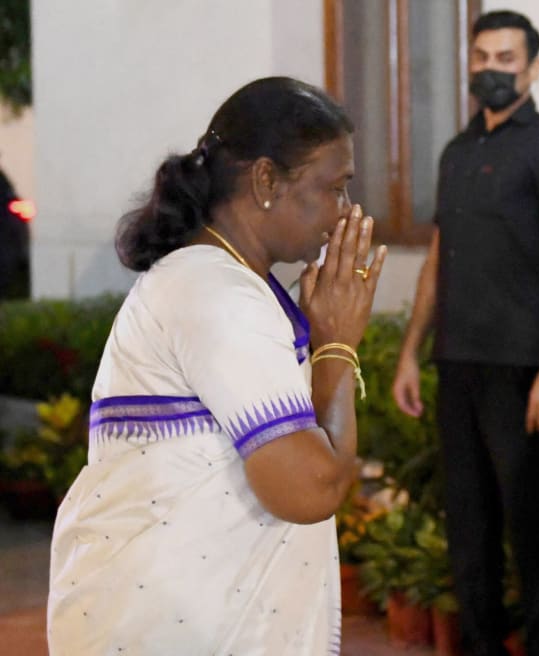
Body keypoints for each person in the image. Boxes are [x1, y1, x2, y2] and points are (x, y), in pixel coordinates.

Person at [48, 76, 387, 655]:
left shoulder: (222, 279)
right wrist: (336, 346)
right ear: (265, 181)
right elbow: (310, 489)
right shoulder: (218, 294)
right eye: (335, 188)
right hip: (172, 627)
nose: (346, 212)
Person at [391, 10, 539, 656]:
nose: (491, 69)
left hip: (524, 373)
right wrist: (410, 354)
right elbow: (436, 260)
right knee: (469, 534)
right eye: (481, 57)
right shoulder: (457, 152)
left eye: (506, 58)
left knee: (535, 535)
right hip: (458, 367)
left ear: (532, 68)